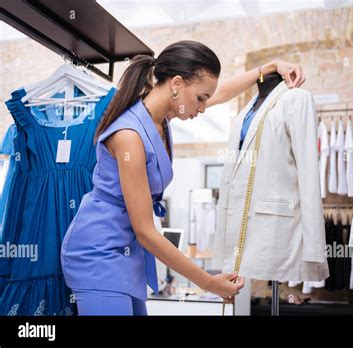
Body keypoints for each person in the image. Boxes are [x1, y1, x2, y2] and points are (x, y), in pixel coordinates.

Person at [61, 40, 306, 315]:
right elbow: (145, 231)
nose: (203, 107)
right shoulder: (129, 136)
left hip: (124, 252)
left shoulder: (160, 118)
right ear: (176, 84)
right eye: (200, 98)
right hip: (99, 252)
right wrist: (209, 282)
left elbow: (221, 93)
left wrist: (269, 67)